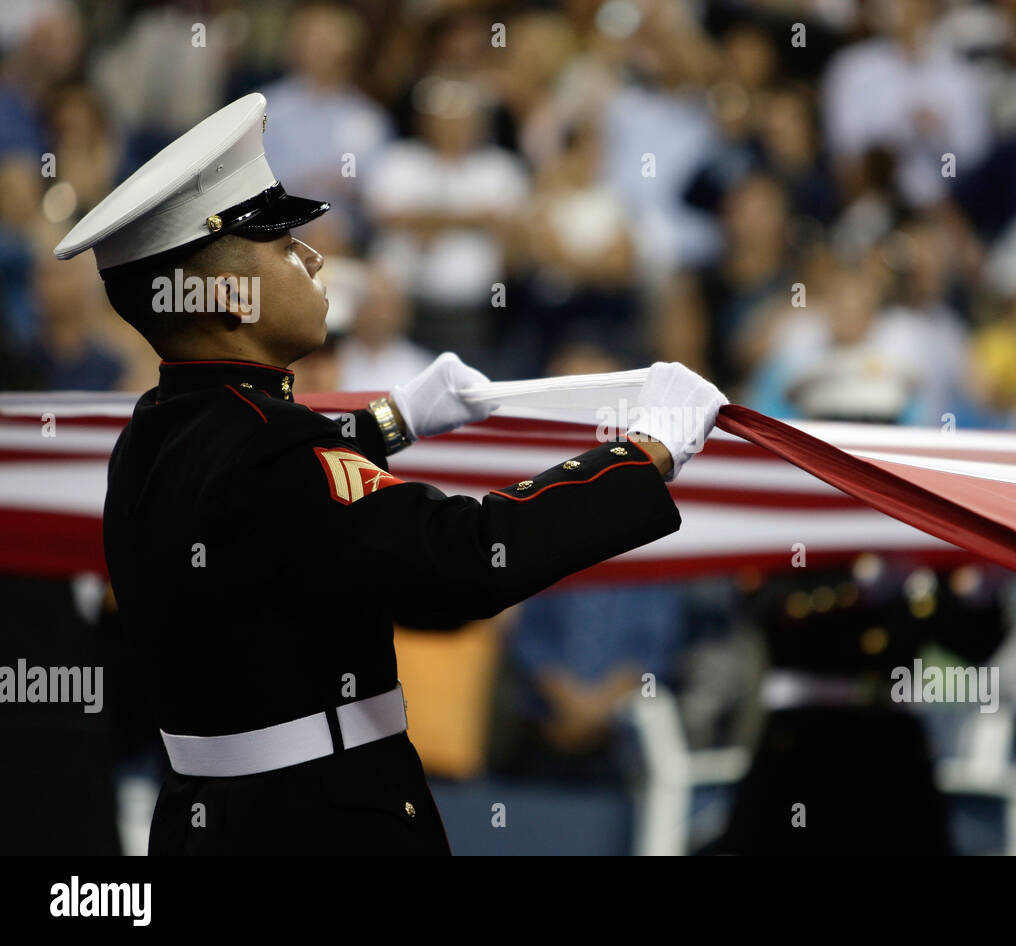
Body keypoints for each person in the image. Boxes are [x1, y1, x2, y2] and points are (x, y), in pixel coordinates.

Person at [52, 93, 726, 855]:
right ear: (227, 298)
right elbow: (467, 558)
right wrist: (643, 454)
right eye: (284, 249)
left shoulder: (149, 438)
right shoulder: (275, 453)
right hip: (325, 826)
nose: (313, 258)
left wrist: (391, 422)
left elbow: (274, 500)